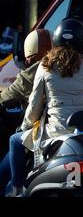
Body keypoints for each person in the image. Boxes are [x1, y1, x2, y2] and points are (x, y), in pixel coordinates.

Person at [7, 18, 83, 196]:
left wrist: (26, 126)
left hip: (58, 129)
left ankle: (16, 190)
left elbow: (34, 103)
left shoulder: (45, 65)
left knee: (15, 140)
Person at [0, 29, 52, 195]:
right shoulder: (67, 66)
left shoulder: (29, 75)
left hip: (39, 132)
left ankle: (17, 190)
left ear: (30, 50)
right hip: (65, 126)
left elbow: (5, 98)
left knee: (14, 142)